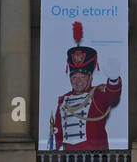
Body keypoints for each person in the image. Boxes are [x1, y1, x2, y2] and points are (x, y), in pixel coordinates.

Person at [48, 21, 123, 150]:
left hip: (96, 158)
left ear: (90, 78)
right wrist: (54, 141)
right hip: (70, 160)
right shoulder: (63, 100)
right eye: (74, 77)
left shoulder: (98, 96)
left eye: (82, 77)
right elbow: (59, 131)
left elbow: (113, 97)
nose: (78, 81)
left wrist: (113, 78)